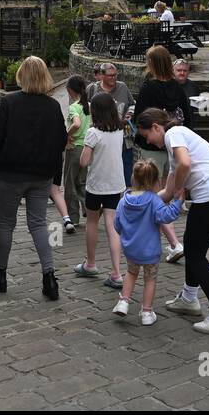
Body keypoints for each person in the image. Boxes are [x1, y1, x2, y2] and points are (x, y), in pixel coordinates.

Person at [136, 107, 209, 334]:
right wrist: (141, 203)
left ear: (156, 127)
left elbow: (185, 166)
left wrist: (182, 186)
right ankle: (189, 298)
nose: (148, 142)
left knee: (195, 255)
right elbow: (168, 191)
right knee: (193, 247)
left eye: (147, 136)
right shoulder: (176, 144)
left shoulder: (174, 134)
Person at [0, 56, 66, 300]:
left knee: (6, 224)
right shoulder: (52, 107)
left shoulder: (10, 102)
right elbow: (61, 141)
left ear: (21, 75)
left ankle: (0, 275)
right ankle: (49, 278)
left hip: (11, 173)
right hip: (41, 175)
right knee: (39, 224)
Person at [134, 45, 188, 263]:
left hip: (151, 151)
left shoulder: (149, 88)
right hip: (172, 150)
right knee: (164, 196)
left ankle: (175, 243)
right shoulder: (178, 87)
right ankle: (159, 239)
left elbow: (140, 119)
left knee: (152, 198)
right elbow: (188, 117)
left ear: (153, 64)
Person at [112, 160, 183, 325]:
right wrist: (178, 202)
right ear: (156, 181)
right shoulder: (154, 200)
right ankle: (146, 312)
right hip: (150, 251)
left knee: (131, 273)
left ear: (133, 179)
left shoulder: (124, 200)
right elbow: (166, 216)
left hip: (131, 249)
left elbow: (117, 224)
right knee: (150, 279)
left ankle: (123, 302)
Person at [73, 93, 126, 289]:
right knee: (112, 225)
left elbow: (84, 162)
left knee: (92, 222)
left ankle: (91, 263)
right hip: (115, 183)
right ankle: (117, 273)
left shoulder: (93, 133)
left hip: (96, 185)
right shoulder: (119, 130)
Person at [88, 62, 134, 184]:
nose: (113, 78)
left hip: (123, 139)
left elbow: (132, 104)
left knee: (126, 173)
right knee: (104, 174)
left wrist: (129, 114)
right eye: (110, 75)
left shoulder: (122, 87)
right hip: (101, 142)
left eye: (115, 75)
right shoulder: (93, 89)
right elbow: (84, 108)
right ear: (102, 75)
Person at [62, 76, 90, 226]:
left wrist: (67, 134)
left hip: (74, 148)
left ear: (70, 90)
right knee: (82, 182)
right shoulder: (89, 105)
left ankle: (73, 218)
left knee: (70, 183)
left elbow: (77, 124)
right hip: (87, 149)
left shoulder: (74, 106)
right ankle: (91, 209)